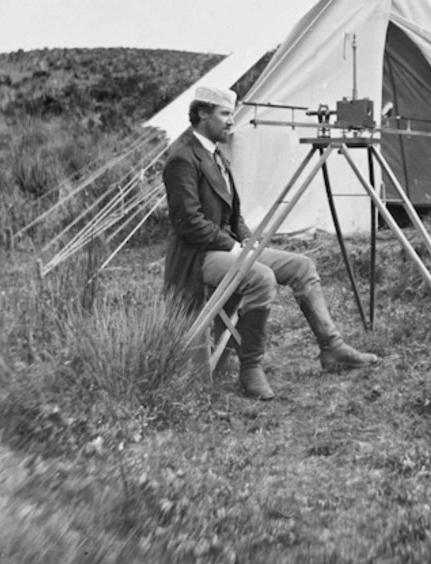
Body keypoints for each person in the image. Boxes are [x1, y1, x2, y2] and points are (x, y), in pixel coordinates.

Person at [162, 85, 379, 400]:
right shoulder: (183, 158)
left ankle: (332, 347)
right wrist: (235, 247)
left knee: (302, 267)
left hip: (226, 248)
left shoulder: (216, 153)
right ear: (202, 113)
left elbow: (233, 213)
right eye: (224, 114)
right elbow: (188, 222)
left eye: (231, 114)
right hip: (199, 257)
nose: (230, 121)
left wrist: (247, 239)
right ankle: (250, 367)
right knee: (260, 276)